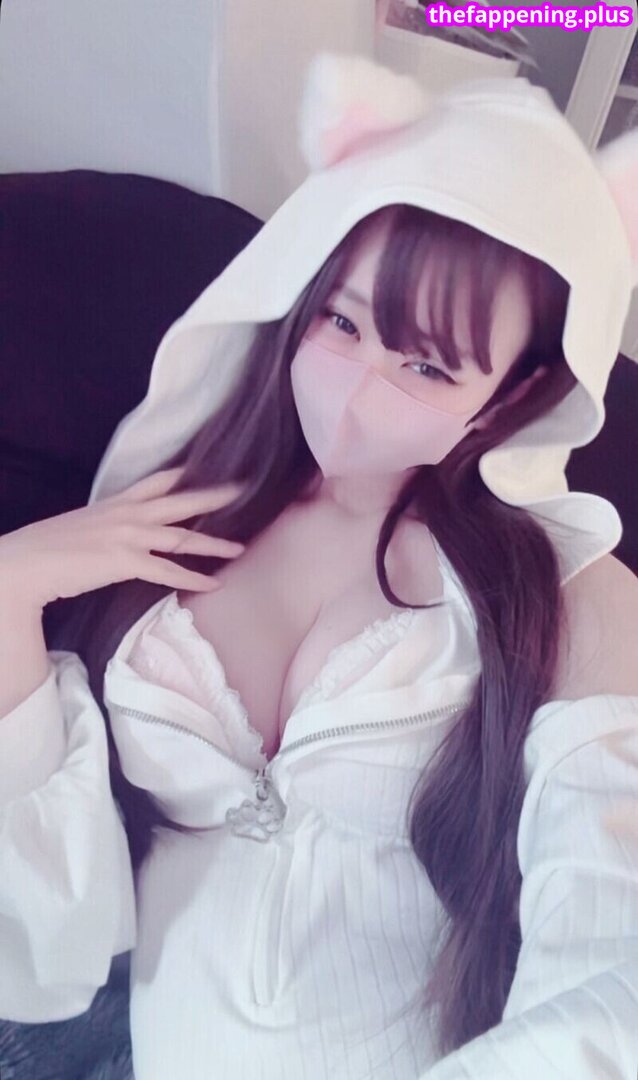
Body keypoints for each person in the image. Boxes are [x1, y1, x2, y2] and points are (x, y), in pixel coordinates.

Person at [1, 51, 637, 1080]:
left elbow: (614, 969)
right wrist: (12, 585)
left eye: (426, 365)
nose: (356, 388)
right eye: (343, 321)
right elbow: (51, 937)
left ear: (511, 397)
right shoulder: (165, 508)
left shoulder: (562, 593)